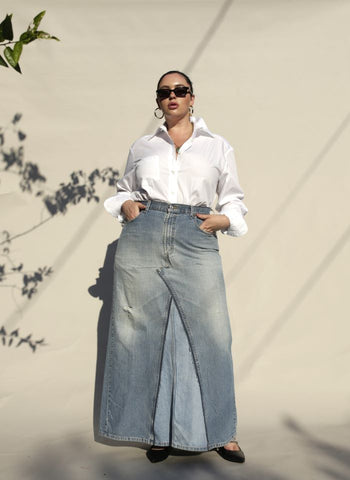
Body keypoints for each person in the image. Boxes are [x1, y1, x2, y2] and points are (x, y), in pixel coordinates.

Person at [98, 70, 248, 464]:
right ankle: (154, 432)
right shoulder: (144, 145)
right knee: (141, 333)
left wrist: (224, 220)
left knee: (213, 334)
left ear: (192, 98)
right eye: (165, 92)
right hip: (144, 234)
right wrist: (126, 205)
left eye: (179, 91)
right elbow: (123, 191)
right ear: (159, 100)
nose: (172, 97)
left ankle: (223, 432)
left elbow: (233, 198)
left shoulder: (217, 146)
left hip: (195, 234)